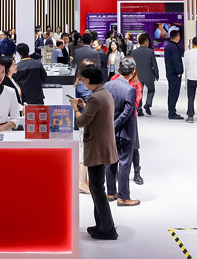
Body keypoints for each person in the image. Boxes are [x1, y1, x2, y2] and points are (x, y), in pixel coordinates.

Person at [70, 65, 118, 240]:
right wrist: (84, 106)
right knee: (97, 187)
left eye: (83, 79)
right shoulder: (104, 94)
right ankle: (101, 225)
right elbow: (94, 116)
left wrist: (76, 108)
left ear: (89, 80)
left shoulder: (95, 98)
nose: (82, 82)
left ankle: (107, 229)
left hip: (97, 147)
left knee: (97, 188)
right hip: (103, 146)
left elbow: (82, 121)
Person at [105, 58, 140, 206]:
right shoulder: (130, 89)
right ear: (133, 72)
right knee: (124, 163)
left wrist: (109, 126)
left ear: (119, 70)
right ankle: (123, 197)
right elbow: (127, 113)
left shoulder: (107, 85)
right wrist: (115, 125)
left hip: (108, 131)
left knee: (110, 162)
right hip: (124, 132)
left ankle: (111, 193)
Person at [130, 33, 158, 116]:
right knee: (151, 90)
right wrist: (156, 74)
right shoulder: (150, 51)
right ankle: (148, 104)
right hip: (149, 75)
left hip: (137, 76)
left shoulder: (133, 52)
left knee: (139, 91)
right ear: (146, 41)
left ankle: (139, 109)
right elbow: (154, 65)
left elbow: (131, 65)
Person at [164, 29, 184, 119]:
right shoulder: (174, 47)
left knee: (171, 92)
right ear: (177, 37)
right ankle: (172, 113)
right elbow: (176, 61)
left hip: (170, 73)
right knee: (174, 93)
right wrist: (179, 71)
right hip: (175, 74)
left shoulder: (168, 46)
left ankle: (171, 111)